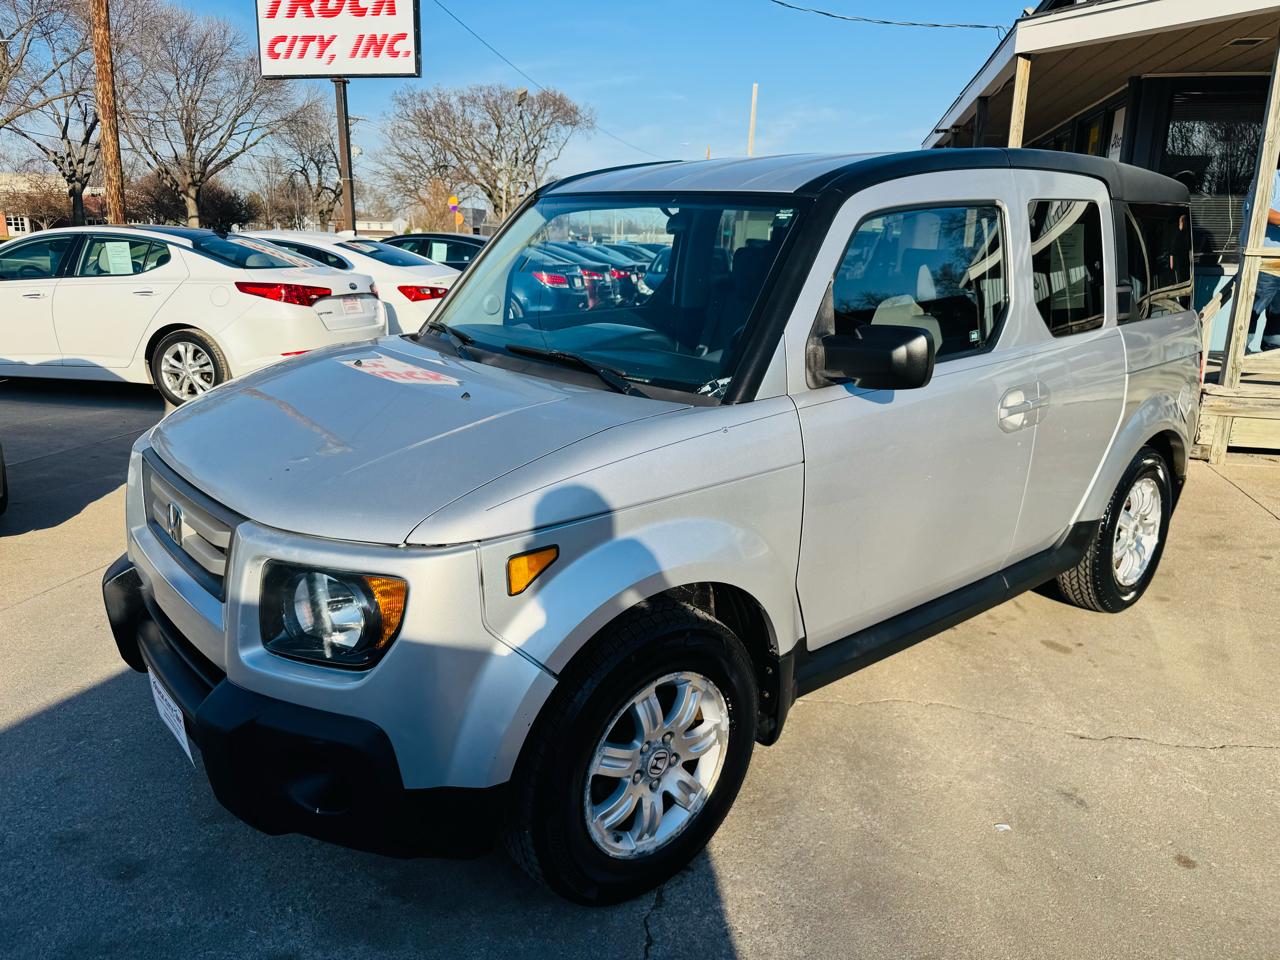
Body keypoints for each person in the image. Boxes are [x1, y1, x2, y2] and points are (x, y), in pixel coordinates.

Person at [1240, 160, 1280, 352]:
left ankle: (1272, 355)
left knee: (1278, 313)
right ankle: (1240, 353)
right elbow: (1260, 211)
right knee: (1253, 307)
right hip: (1263, 258)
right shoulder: (1269, 178)